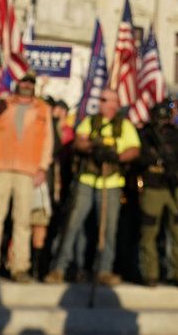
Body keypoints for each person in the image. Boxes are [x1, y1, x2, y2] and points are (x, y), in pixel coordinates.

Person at [46, 88, 140, 285]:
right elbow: (79, 141)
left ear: (115, 104)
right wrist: (93, 147)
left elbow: (134, 149)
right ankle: (59, 268)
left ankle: (104, 270)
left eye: (106, 100)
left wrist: (116, 156)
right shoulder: (91, 121)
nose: (102, 103)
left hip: (111, 182)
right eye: (101, 99)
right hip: (87, 180)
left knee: (107, 228)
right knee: (72, 224)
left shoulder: (124, 125)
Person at [0, 73, 54, 282]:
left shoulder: (43, 109)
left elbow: (48, 141)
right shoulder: (2, 105)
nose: (26, 84)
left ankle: (20, 266)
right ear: (17, 82)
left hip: (27, 170)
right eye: (23, 81)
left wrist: (43, 167)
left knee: (23, 220)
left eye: (30, 82)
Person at [135, 99, 178, 287]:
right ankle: (150, 273)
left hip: (173, 186)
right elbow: (140, 157)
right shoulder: (145, 134)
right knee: (149, 230)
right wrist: (157, 160)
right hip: (153, 185)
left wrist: (174, 168)